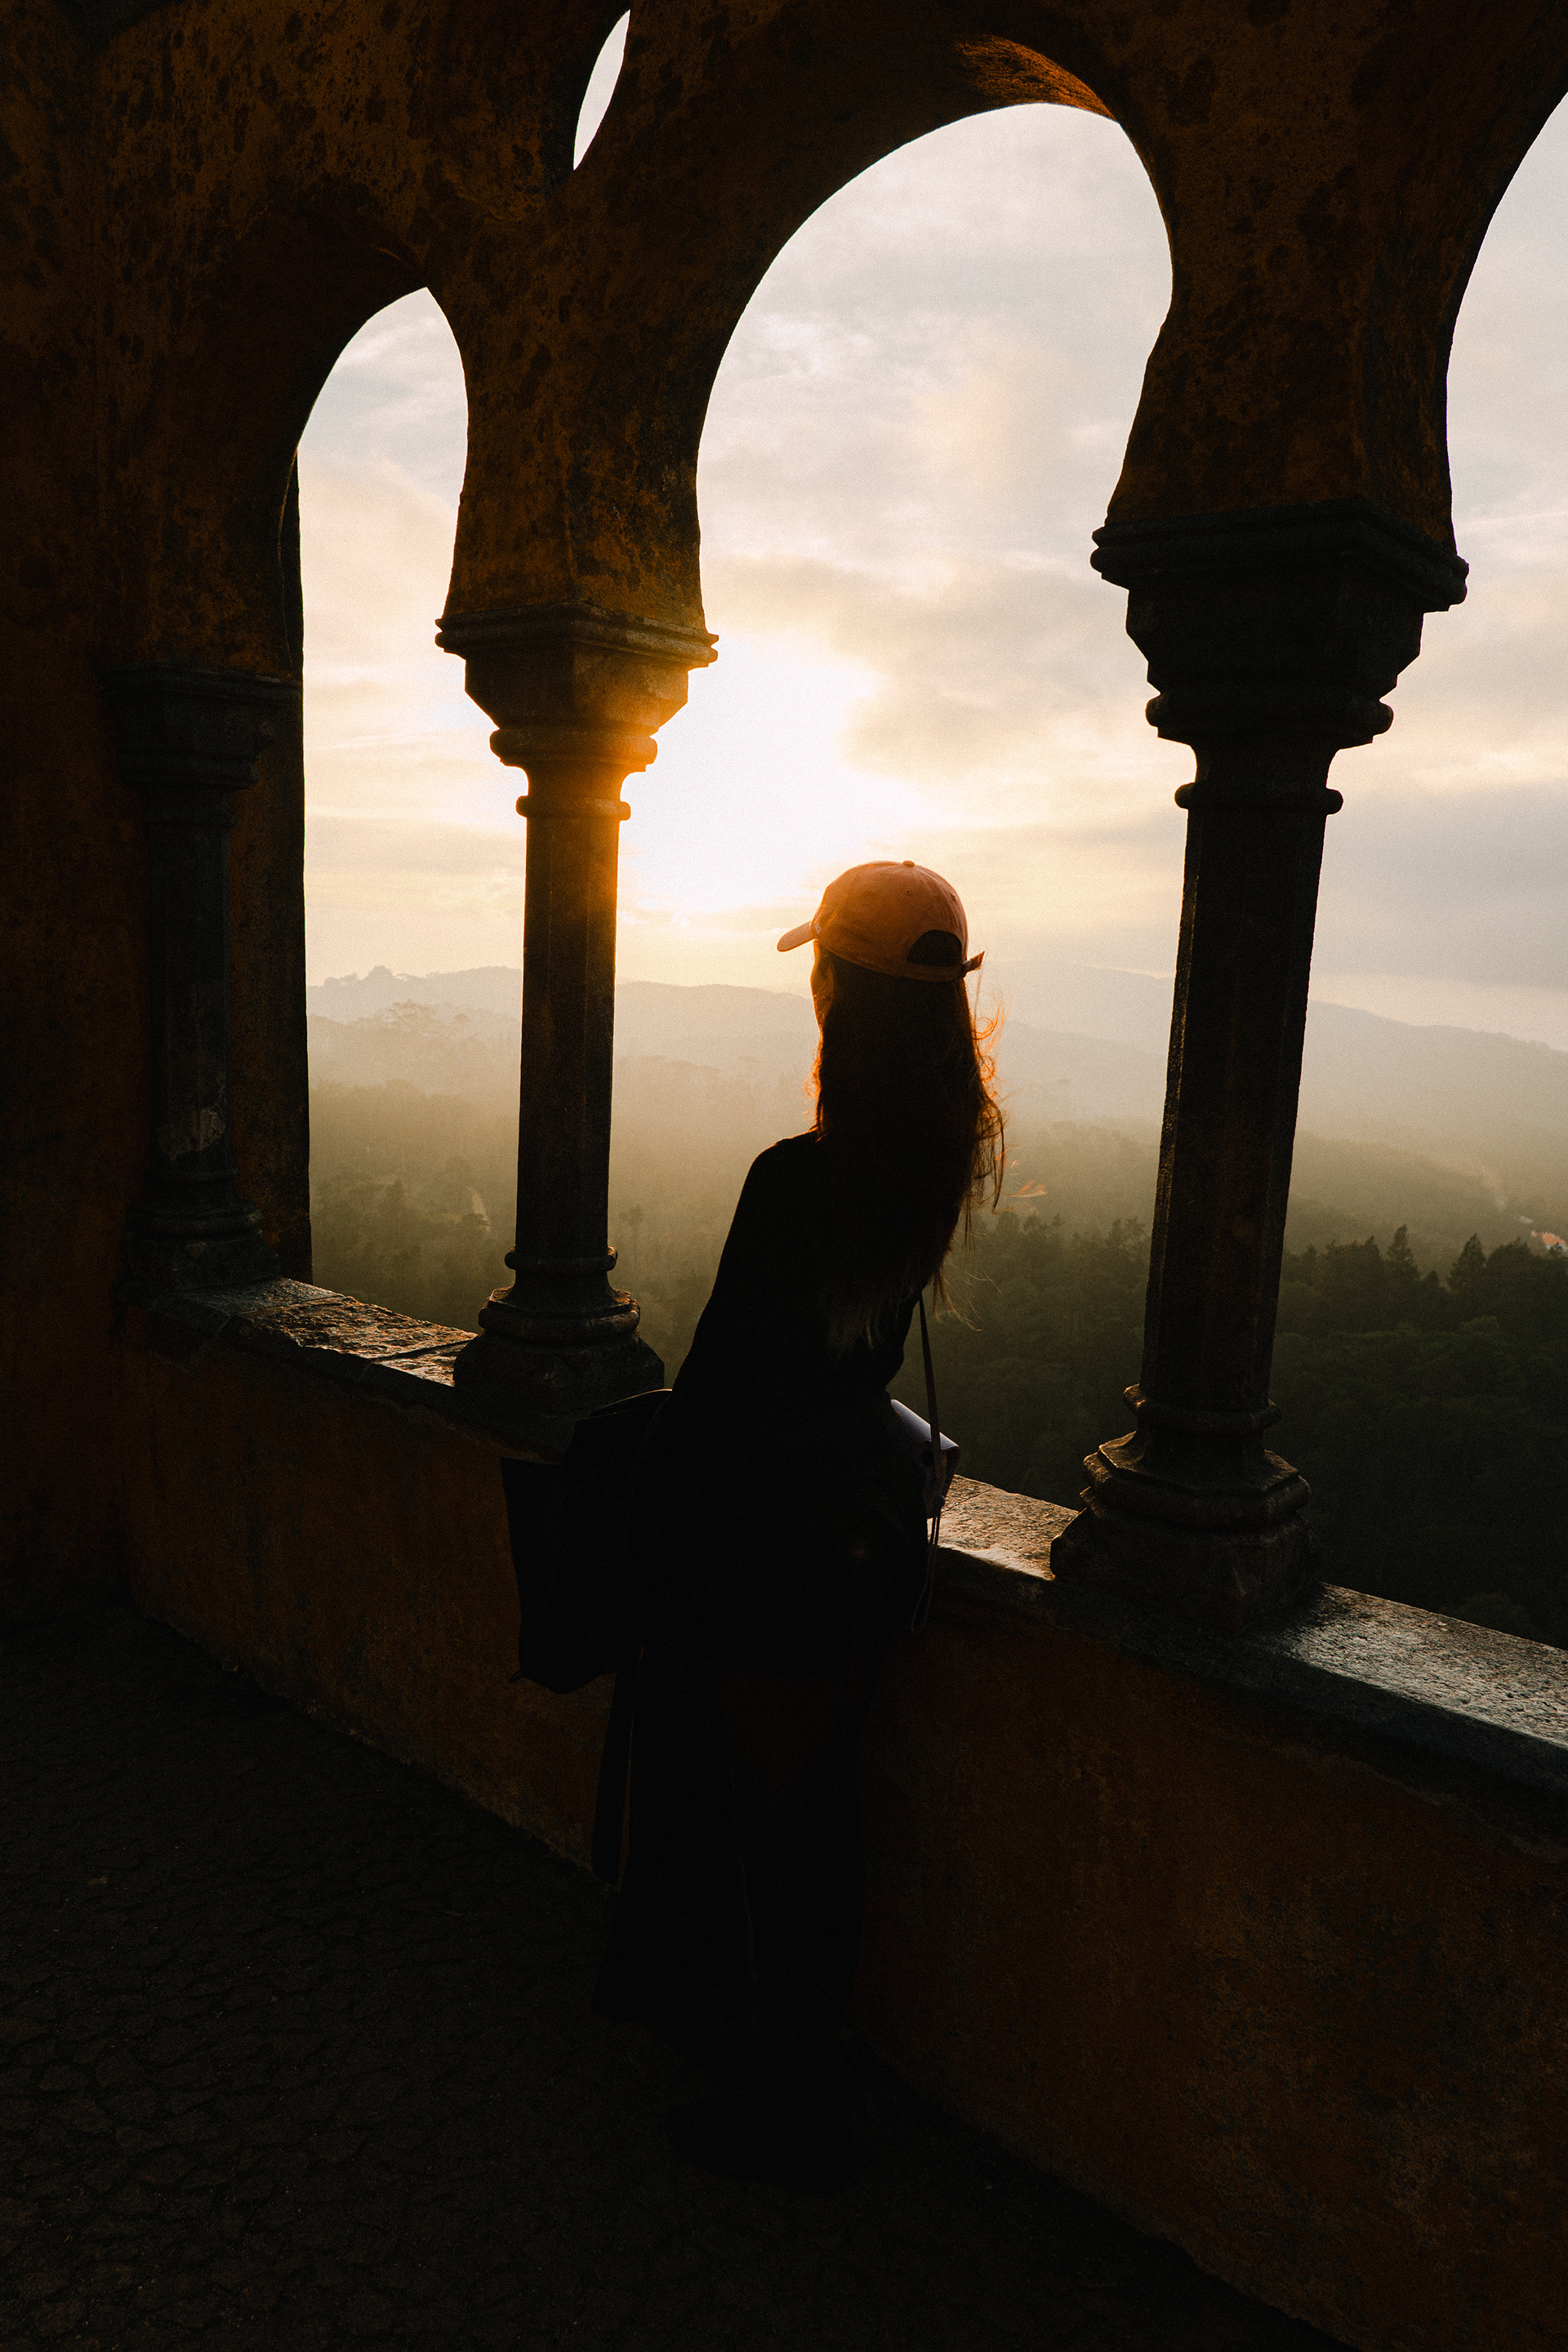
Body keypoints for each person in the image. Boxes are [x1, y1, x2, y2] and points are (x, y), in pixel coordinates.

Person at [593, 859, 1004, 2190]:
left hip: (763, 1555)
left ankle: (789, 2110)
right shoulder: (930, 1165)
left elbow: (719, 1395)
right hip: (852, 1542)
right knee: (813, 1825)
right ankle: (795, 2089)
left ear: (840, 995)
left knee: (785, 1837)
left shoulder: (796, 1181)